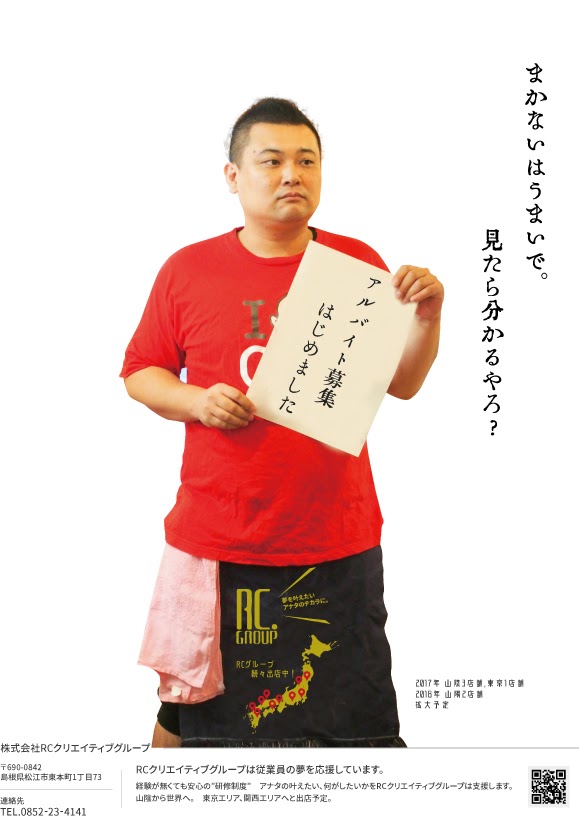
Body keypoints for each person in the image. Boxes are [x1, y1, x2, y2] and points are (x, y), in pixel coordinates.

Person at [121, 97, 444, 748]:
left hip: (336, 535)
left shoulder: (356, 264)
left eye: (307, 160)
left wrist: (427, 318)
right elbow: (140, 372)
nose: (292, 174)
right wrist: (196, 400)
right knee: (197, 710)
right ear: (233, 175)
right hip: (222, 538)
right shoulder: (187, 269)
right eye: (271, 160)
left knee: (354, 722)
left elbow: (403, 383)